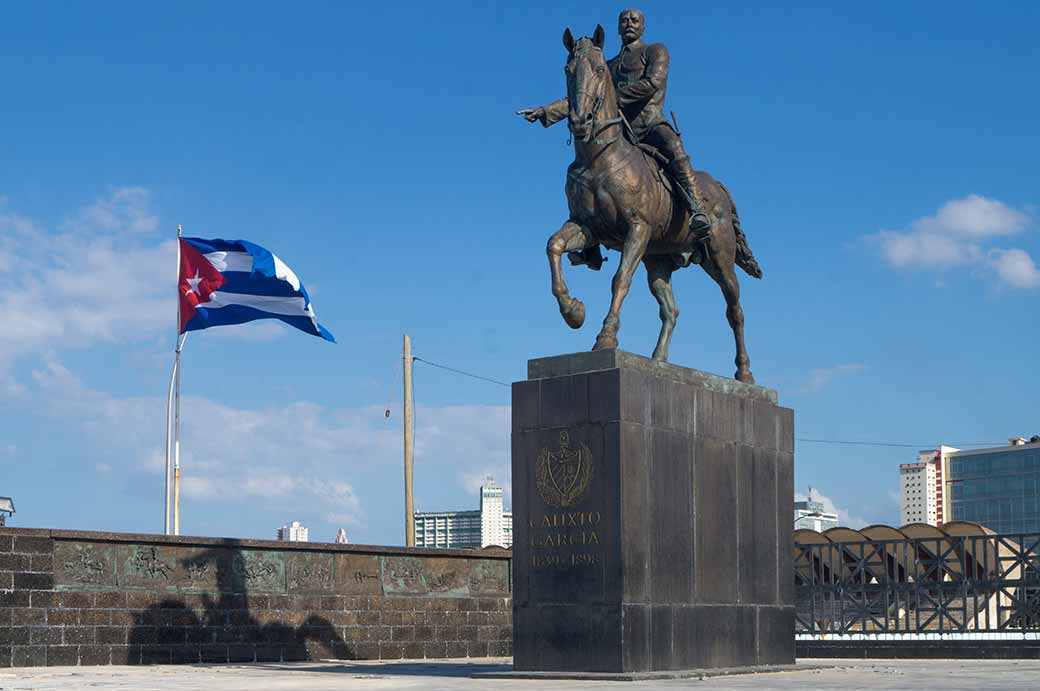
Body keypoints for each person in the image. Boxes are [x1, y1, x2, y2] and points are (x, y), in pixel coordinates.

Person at [519, 9, 711, 234]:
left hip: (650, 125)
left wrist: (613, 97)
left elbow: (652, 83)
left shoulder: (655, 51)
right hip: (620, 132)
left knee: (675, 148)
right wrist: (546, 111)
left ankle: (697, 208)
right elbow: (585, 96)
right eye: (624, 20)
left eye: (634, 20)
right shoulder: (607, 65)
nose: (629, 23)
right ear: (618, 27)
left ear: (643, 26)